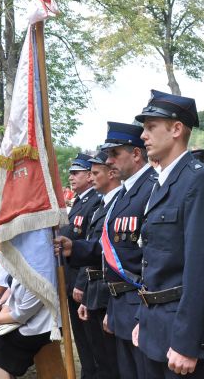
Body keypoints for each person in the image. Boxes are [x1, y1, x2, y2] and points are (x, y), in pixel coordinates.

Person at [133, 89, 204, 378]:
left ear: (176, 129)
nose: (143, 136)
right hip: (155, 326)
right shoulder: (162, 182)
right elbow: (153, 262)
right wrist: (143, 317)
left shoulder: (199, 180)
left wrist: (189, 342)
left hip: (180, 334)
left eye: (150, 127)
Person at [57, 122, 158, 379]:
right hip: (120, 303)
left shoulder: (152, 188)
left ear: (136, 154)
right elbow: (111, 247)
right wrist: (75, 248)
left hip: (141, 304)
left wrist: (140, 313)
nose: (109, 161)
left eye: (114, 155)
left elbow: (151, 256)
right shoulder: (126, 193)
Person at [70, 149, 123, 379]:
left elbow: (110, 254)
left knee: (111, 362)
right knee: (98, 356)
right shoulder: (102, 205)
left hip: (107, 292)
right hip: (95, 290)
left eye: (94, 172)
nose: (90, 178)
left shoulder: (116, 203)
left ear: (111, 173)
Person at [59, 152, 103, 379]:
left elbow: (91, 246)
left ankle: (92, 373)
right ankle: (88, 372)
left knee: (92, 339)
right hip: (71, 282)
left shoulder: (95, 202)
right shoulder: (79, 202)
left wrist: (81, 282)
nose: (71, 177)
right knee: (81, 339)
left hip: (82, 283)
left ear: (89, 175)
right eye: (70, 173)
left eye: (76, 173)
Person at [0, 278, 58, 378]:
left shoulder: (37, 276)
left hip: (40, 328)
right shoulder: (18, 271)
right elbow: (11, 299)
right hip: (24, 321)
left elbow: (21, 314)